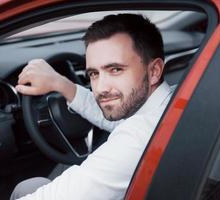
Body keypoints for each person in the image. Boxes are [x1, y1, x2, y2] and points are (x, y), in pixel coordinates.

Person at [11, 13, 175, 200]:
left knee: (26, 190)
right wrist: (62, 85)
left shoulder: (137, 138)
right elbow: (118, 115)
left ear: (154, 71)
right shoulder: (172, 102)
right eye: (94, 74)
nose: (100, 88)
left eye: (115, 70)